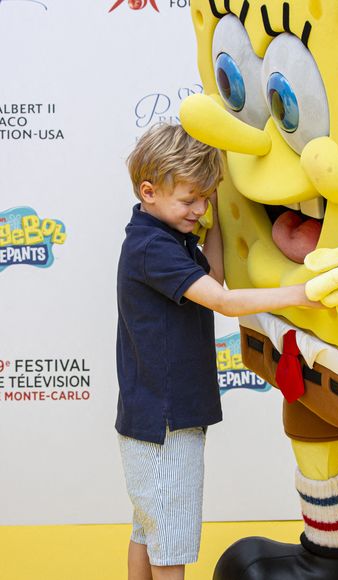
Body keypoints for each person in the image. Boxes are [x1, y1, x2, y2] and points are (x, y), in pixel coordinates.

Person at [115, 123, 319, 580]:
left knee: (148, 529)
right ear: (149, 192)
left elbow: (216, 274)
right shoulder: (153, 249)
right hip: (166, 422)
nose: (199, 209)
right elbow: (224, 301)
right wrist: (301, 294)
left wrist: (221, 214)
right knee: (171, 541)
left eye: (206, 198)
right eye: (190, 201)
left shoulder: (164, 237)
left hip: (153, 417)